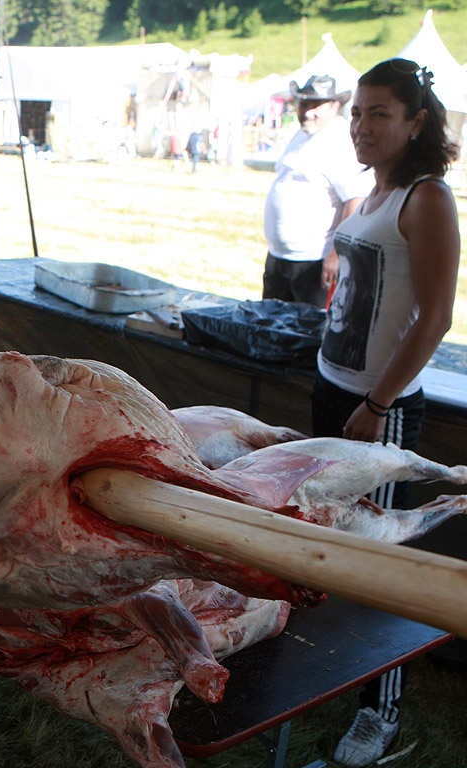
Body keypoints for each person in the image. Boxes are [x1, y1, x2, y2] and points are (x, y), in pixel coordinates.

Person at [311, 58, 460, 768]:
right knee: (325, 538)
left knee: (379, 557)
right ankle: (318, 672)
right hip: (332, 390)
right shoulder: (372, 193)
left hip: (380, 405)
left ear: (416, 121)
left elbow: (435, 318)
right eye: (357, 113)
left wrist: (377, 403)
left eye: (379, 114)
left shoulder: (426, 198)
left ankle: (381, 716)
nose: (362, 127)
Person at [262, 74, 374, 308]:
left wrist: (336, 253)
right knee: (270, 326)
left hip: (313, 261)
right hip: (280, 257)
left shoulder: (341, 141)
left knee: (307, 332)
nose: (307, 111)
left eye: (316, 105)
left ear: (335, 106)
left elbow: (355, 200)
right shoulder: (301, 134)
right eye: (303, 103)